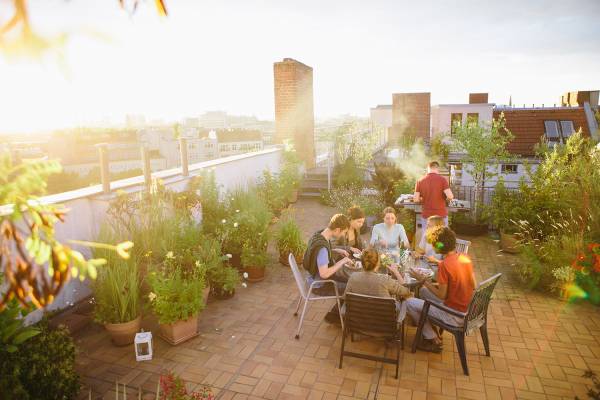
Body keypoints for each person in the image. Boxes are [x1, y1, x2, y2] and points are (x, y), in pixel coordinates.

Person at [406, 226, 476, 353]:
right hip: (467, 309)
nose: (433, 247)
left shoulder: (445, 265)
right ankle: (431, 327)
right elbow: (473, 284)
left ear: (440, 245)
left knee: (409, 302)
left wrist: (423, 280)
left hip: (454, 315)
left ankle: (432, 338)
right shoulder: (464, 257)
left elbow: (441, 295)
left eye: (434, 244)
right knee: (422, 292)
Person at [345, 247, 410, 321]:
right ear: (378, 263)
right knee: (401, 302)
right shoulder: (385, 280)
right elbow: (407, 292)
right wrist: (396, 272)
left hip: (359, 324)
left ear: (362, 262)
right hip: (384, 325)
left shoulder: (353, 277)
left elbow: (345, 298)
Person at [303, 213, 352, 295]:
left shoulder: (320, 234)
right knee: (352, 288)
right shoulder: (322, 248)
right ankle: (338, 307)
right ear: (337, 229)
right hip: (319, 285)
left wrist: (336, 250)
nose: (343, 235)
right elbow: (324, 274)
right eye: (344, 232)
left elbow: (318, 254)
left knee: (349, 280)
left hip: (312, 278)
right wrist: (343, 261)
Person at [414, 161, 454, 243]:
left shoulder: (420, 180)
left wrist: (423, 198)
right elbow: (450, 196)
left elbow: (416, 199)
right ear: (437, 168)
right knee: (442, 237)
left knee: (427, 237)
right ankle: (440, 253)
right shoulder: (442, 180)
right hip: (441, 214)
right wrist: (445, 199)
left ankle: (427, 254)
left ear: (427, 169)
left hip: (427, 215)